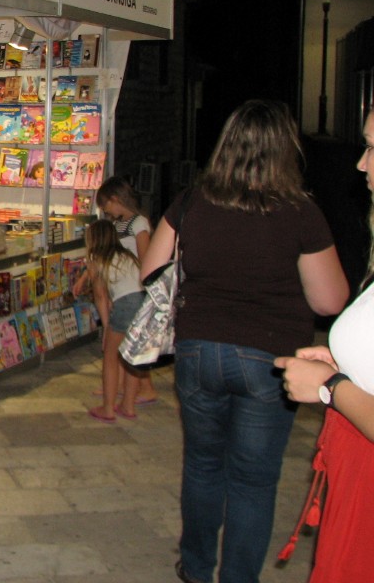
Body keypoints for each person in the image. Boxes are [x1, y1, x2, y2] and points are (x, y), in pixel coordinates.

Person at [138, 99, 349, 583]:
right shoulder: (301, 212)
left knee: (202, 464)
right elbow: (330, 300)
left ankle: (195, 568)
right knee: (253, 479)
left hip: (198, 351)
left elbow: (151, 271)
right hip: (269, 359)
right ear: (286, 150)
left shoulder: (191, 202)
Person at [274, 108, 374, 583]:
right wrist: (346, 360)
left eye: (373, 148)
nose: (361, 163)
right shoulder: (303, 213)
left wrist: (331, 385)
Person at [73, 176, 159, 405]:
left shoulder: (138, 223)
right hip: (122, 288)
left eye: (105, 205)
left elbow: (145, 258)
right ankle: (119, 386)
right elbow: (105, 254)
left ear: (115, 199)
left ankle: (145, 388)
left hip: (134, 288)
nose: (105, 211)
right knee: (124, 344)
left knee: (130, 345)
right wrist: (85, 277)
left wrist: (145, 288)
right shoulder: (118, 225)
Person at [84, 220, 146, 422]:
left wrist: (106, 328)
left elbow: (100, 296)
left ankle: (108, 408)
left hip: (125, 305)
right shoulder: (127, 255)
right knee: (132, 358)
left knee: (111, 357)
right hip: (143, 304)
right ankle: (128, 405)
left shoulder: (96, 259)